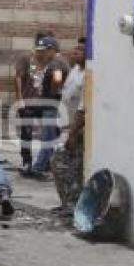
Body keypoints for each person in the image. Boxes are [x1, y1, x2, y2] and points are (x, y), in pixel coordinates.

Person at [23, 35, 69, 179]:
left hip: (51, 106)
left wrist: (54, 91)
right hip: (51, 105)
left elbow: (57, 79)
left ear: (52, 49)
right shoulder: (57, 61)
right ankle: (48, 165)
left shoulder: (56, 62)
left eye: (43, 51)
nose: (41, 54)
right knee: (51, 137)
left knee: (47, 139)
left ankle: (38, 168)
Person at [50, 38, 86, 214]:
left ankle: (71, 205)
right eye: (75, 50)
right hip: (64, 125)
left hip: (75, 129)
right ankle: (66, 203)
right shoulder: (75, 70)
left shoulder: (87, 74)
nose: (75, 53)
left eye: (79, 50)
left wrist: (73, 133)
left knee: (65, 165)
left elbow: (83, 109)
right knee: (61, 165)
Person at [14, 33, 48, 172]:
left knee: (48, 132)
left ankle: (44, 161)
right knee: (26, 133)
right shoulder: (26, 58)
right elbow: (18, 77)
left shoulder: (50, 60)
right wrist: (20, 98)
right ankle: (26, 161)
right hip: (27, 102)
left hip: (44, 103)